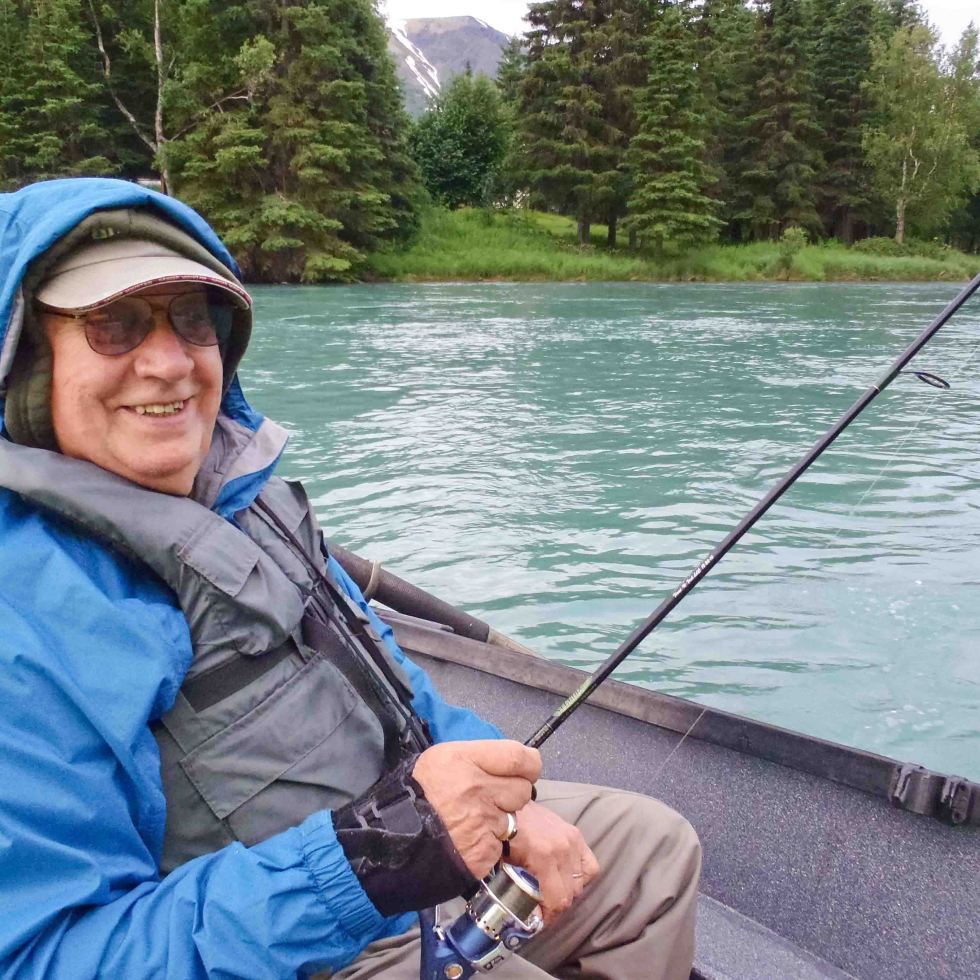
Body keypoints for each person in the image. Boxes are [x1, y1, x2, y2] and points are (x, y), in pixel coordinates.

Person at [0, 178, 700, 979]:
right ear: (27, 361)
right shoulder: (23, 623)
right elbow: (49, 956)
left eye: (192, 318)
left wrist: (509, 804)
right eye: (114, 325)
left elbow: (390, 681)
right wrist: (368, 860)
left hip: (403, 863)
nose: (168, 362)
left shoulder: (249, 500)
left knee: (651, 855)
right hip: (289, 944)